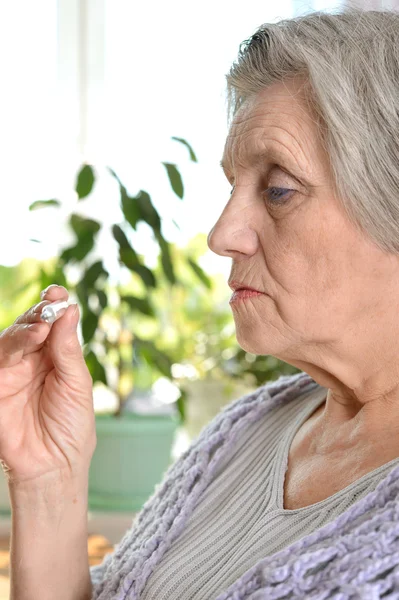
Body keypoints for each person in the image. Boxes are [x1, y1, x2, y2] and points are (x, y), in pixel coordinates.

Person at [3, 6, 399, 599]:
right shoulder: (244, 432)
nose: (220, 235)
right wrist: (48, 481)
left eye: (279, 190)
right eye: (231, 188)